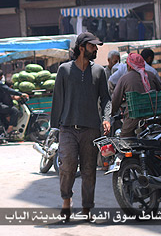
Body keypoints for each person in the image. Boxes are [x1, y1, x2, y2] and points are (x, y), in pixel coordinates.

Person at [51, 32, 111, 219]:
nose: (96, 49)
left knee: (89, 169)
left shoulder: (100, 71)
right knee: (67, 165)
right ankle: (66, 200)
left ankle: (87, 208)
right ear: (82, 47)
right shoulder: (64, 70)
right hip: (68, 128)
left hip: (91, 128)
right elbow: (57, 99)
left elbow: (106, 99)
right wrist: (55, 128)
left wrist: (107, 118)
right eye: (93, 46)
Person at [110, 53, 161, 137]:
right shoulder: (151, 75)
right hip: (155, 118)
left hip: (133, 121)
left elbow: (115, 100)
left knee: (124, 140)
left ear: (130, 66)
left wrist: (111, 113)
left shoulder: (124, 79)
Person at [0, 69, 27, 138]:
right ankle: (10, 129)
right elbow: (8, 90)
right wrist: (20, 94)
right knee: (15, 111)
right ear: (2, 76)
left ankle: (4, 131)